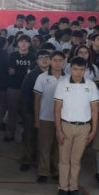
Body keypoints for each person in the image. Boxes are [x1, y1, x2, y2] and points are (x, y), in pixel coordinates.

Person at [53, 57, 99, 195]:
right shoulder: (62, 84)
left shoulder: (91, 85)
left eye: (81, 69)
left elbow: (94, 110)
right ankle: (62, 187)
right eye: (75, 69)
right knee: (64, 159)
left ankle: (73, 187)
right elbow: (57, 109)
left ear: (85, 70)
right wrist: (58, 129)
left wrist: (93, 130)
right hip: (66, 125)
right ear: (70, 69)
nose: (78, 72)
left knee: (76, 160)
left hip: (84, 127)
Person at [34, 51, 65, 183]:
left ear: (64, 62)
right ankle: (43, 172)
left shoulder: (68, 78)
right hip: (45, 117)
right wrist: (37, 119)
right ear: (51, 62)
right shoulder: (42, 77)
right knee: (44, 147)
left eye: (60, 60)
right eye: (55, 60)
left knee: (59, 147)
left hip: (63, 119)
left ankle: (57, 171)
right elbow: (36, 100)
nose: (57, 63)